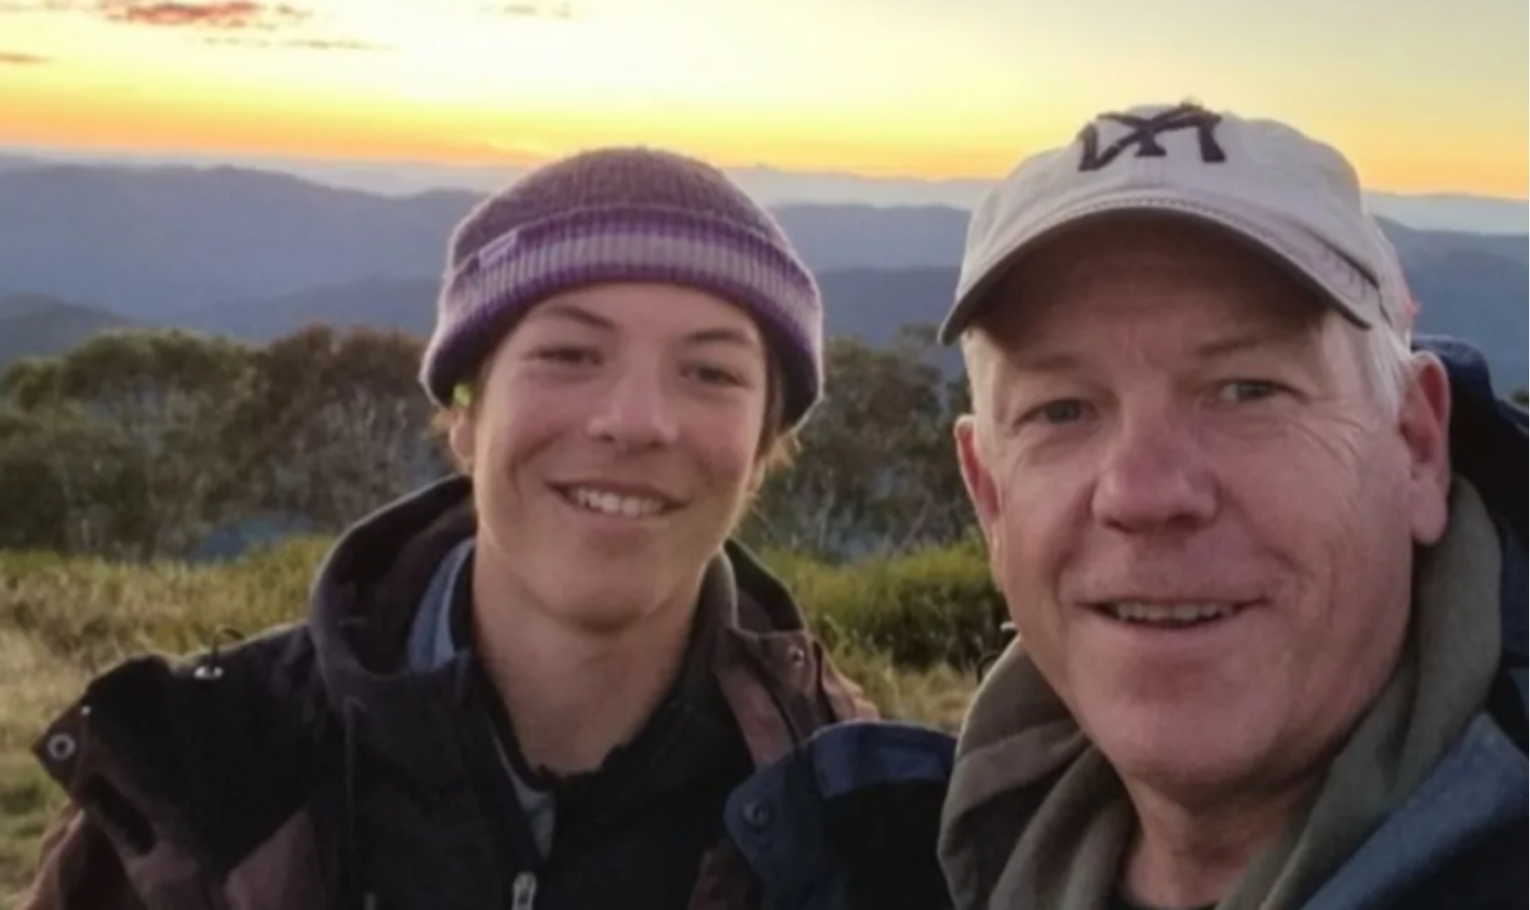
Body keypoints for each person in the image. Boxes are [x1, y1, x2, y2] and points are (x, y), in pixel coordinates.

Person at [18, 146, 955, 910]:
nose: (635, 420)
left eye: (710, 373)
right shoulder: (213, 771)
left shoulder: (852, 811)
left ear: (762, 450)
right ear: (465, 415)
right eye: (568, 353)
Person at [934, 101, 1530, 909]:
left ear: (1417, 448)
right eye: (1062, 411)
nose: (1143, 493)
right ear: (991, 498)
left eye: (1247, 391)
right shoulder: (879, 851)